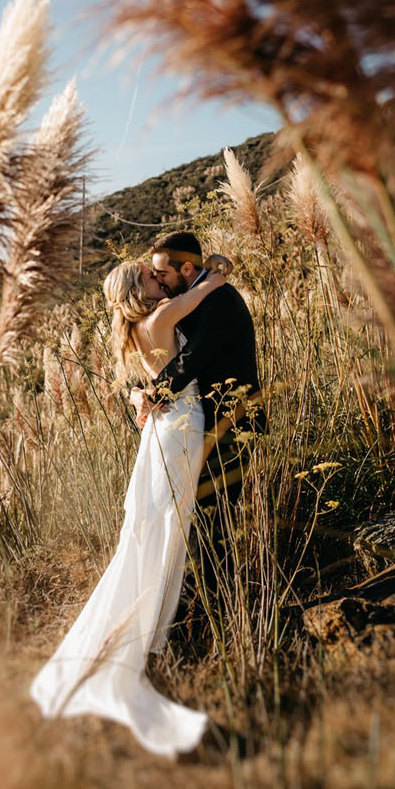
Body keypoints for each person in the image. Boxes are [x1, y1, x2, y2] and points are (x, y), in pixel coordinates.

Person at [29, 255, 230, 758]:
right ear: (139, 291)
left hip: (168, 427)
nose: (158, 278)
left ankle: (146, 625)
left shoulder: (138, 328)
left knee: (158, 526)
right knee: (165, 525)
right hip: (181, 429)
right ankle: (145, 630)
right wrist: (209, 269)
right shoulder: (161, 318)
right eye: (150, 275)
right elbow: (212, 287)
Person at [144, 231, 266, 639]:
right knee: (204, 519)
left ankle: (221, 618)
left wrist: (155, 394)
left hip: (231, 425)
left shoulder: (217, 299)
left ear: (187, 269)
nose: (159, 281)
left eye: (163, 274)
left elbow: (195, 357)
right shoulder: (197, 295)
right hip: (204, 425)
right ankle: (206, 612)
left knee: (214, 520)